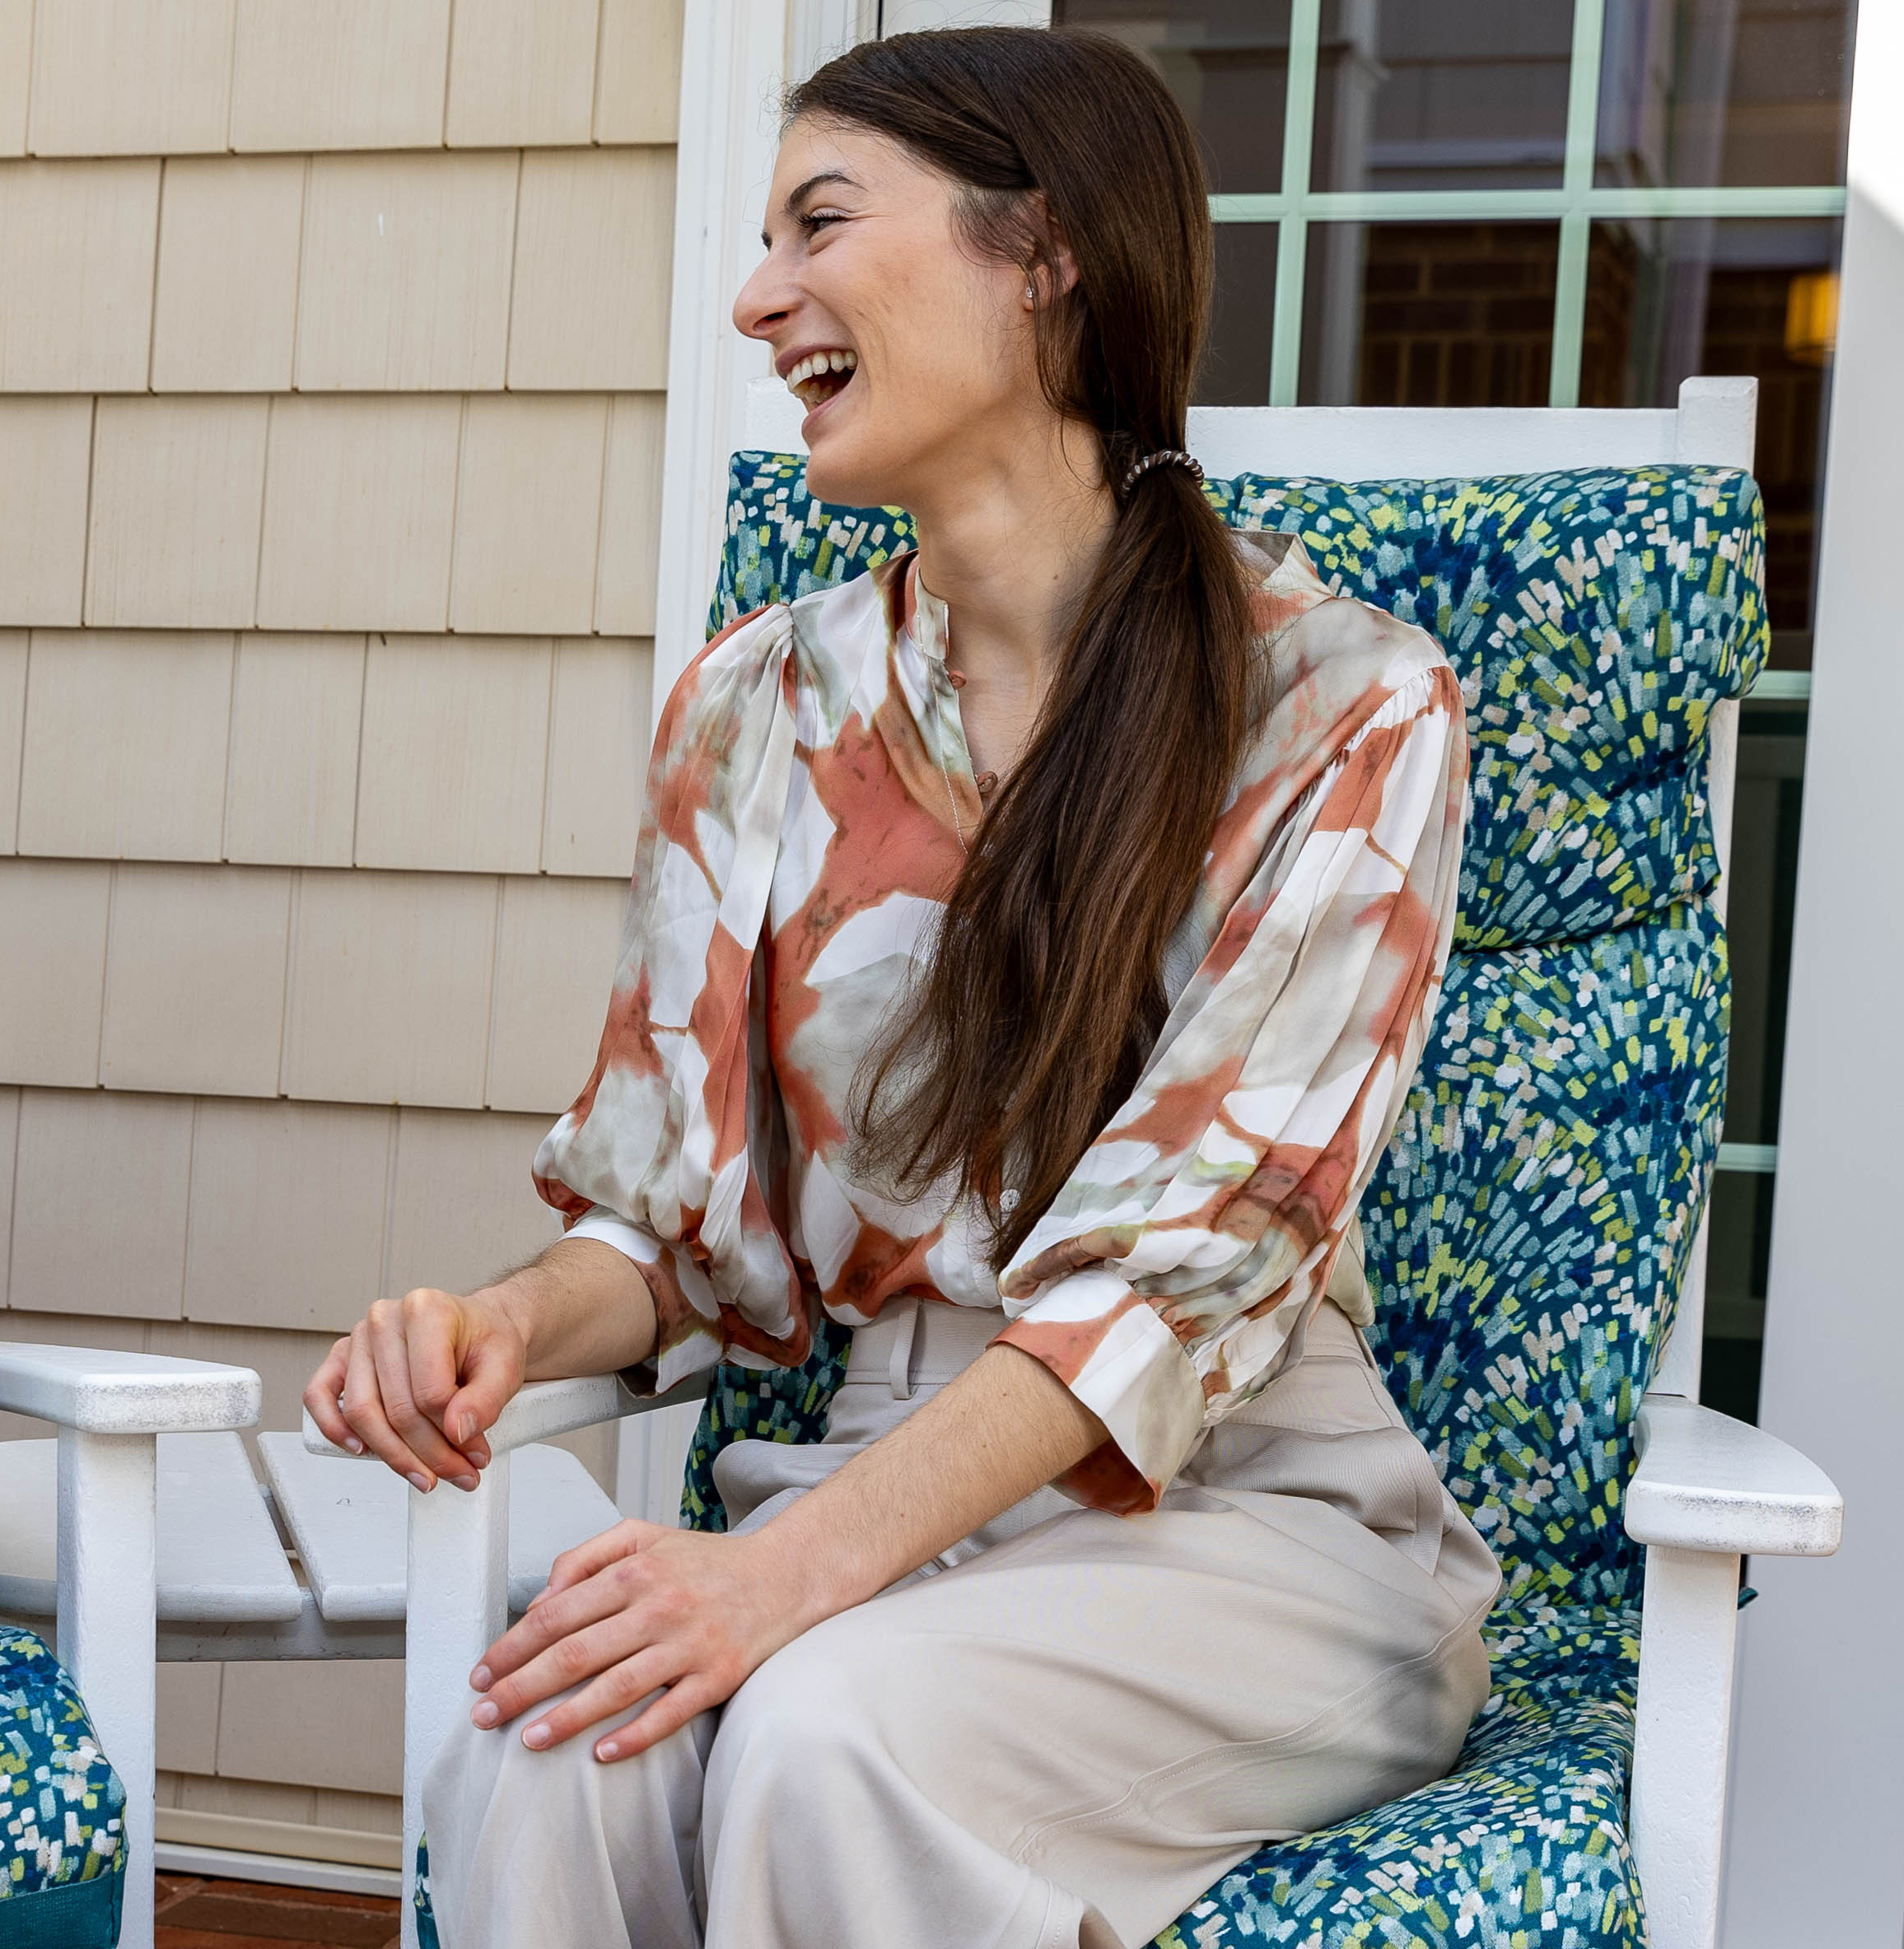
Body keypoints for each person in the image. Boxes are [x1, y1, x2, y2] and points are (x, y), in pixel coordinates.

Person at [305, 27, 1500, 1949]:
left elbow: (1164, 1280)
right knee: (554, 1732)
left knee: (822, 1729)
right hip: (874, 1468)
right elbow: (684, 1226)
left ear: (1045, 256)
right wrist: (510, 1317)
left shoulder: (1349, 708)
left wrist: (777, 1577)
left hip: (1243, 1530)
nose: (756, 293)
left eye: (820, 223)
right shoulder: (753, 706)